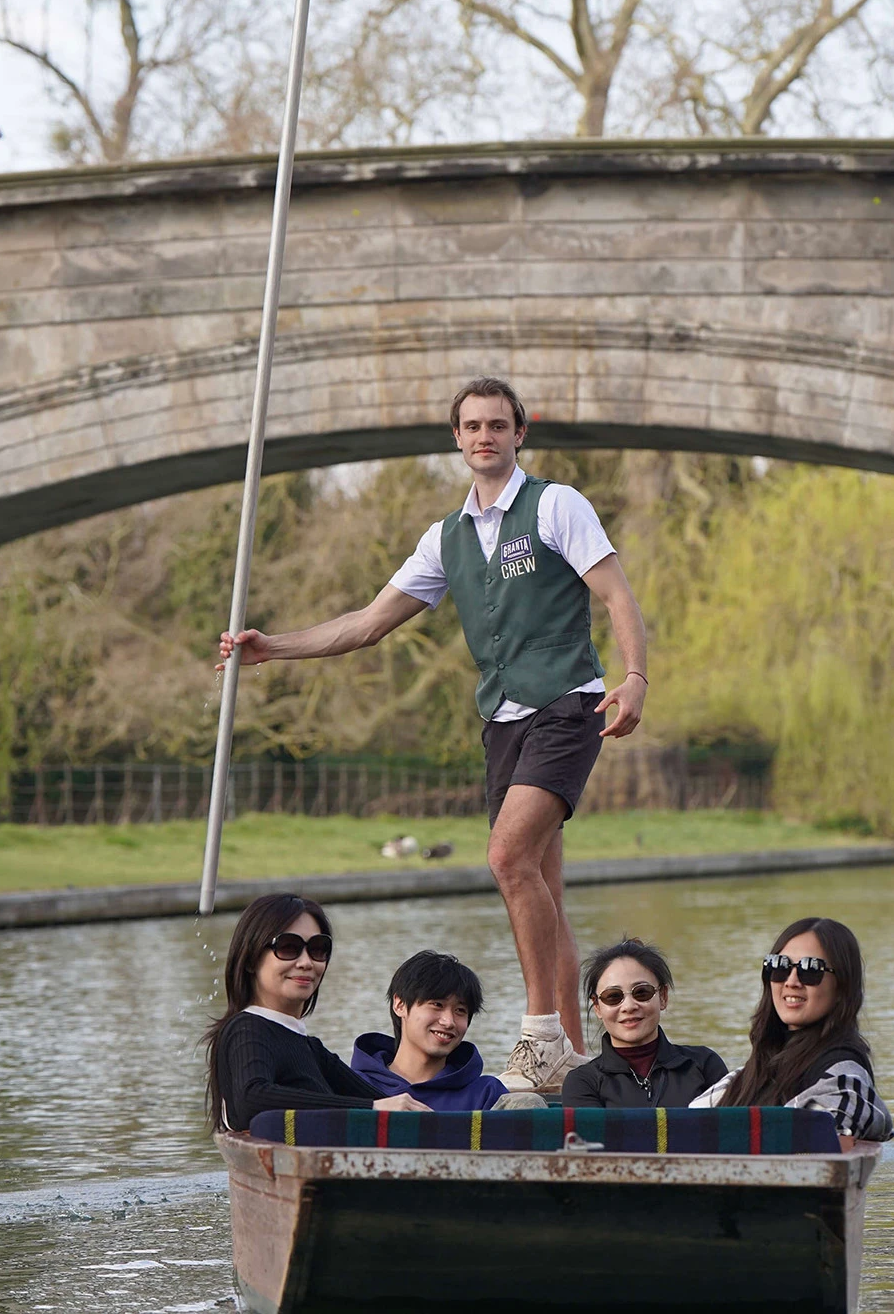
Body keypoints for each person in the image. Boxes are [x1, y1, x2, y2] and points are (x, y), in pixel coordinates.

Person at [218, 376, 649, 1093]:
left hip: (567, 705)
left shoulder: (556, 505)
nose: (485, 435)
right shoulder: (445, 537)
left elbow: (616, 592)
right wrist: (273, 648)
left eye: (499, 425)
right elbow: (366, 622)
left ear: (519, 434)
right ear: (457, 438)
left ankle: (540, 1032)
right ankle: (571, 1060)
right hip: (502, 721)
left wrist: (634, 676)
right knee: (541, 883)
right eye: (473, 426)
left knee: (508, 856)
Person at [202, 892, 429, 1132]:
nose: (306, 962)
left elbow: (387, 1102)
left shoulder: (310, 1048)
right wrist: (371, 1108)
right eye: (289, 947)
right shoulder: (248, 1028)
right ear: (250, 959)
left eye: (318, 949)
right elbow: (252, 1099)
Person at [693, 917, 894, 1149]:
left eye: (811, 969)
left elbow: (825, 1138)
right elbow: (688, 1125)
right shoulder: (753, 1071)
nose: (792, 981)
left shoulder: (844, 1073)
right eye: (779, 966)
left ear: (842, 987)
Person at [560, 938, 726, 1109]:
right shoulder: (583, 1083)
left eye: (642, 992)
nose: (629, 1006)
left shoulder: (704, 1065)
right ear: (597, 1007)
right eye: (613, 996)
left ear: (663, 997)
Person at [349, 951, 516, 1111]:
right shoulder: (352, 1086)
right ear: (399, 1005)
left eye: (460, 1010)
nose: (448, 1022)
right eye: (437, 1005)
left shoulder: (486, 1095)